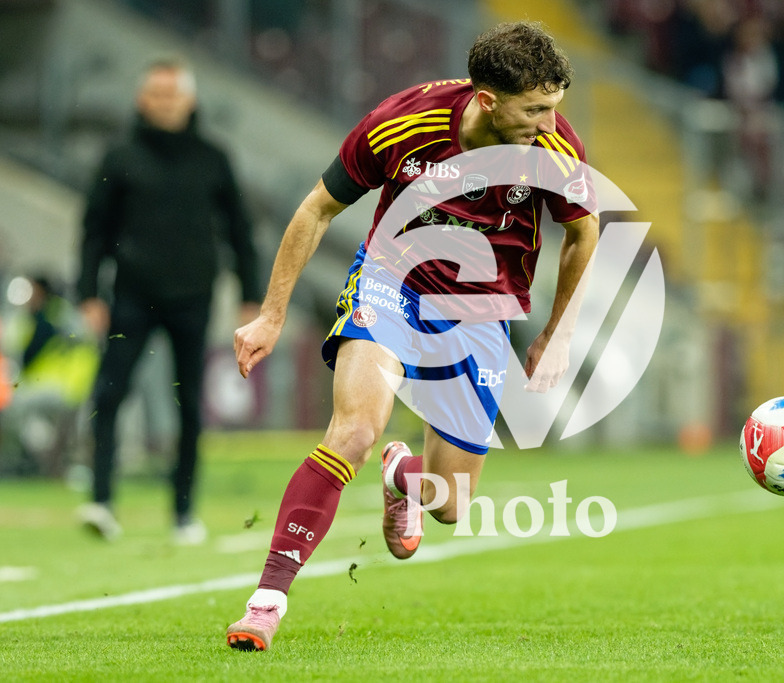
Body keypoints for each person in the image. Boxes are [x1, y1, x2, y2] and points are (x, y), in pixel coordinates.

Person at [225, 21, 599, 651]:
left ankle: (405, 477)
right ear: (487, 99)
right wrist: (271, 313)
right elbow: (317, 207)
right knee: (354, 431)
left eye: (553, 107)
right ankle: (267, 601)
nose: (549, 122)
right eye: (535, 109)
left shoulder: (554, 147)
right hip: (391, 285)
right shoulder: (403, 124)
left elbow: (584, 233)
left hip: (482, 309)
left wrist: (557, 335)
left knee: (451, 505)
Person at [75, 58, 261, 544]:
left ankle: (183, 512)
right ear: (142, 100)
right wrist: (88, 293)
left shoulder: (213, 157)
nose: (163, 102)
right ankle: (100, 500)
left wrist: (251, 295)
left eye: (172, 94)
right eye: (155, 94)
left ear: (190, 100)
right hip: (131, 296)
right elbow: (94, 230)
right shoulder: (119, 157)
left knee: (189, 408)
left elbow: (240, 230)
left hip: (193, 297)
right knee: (109, 394)